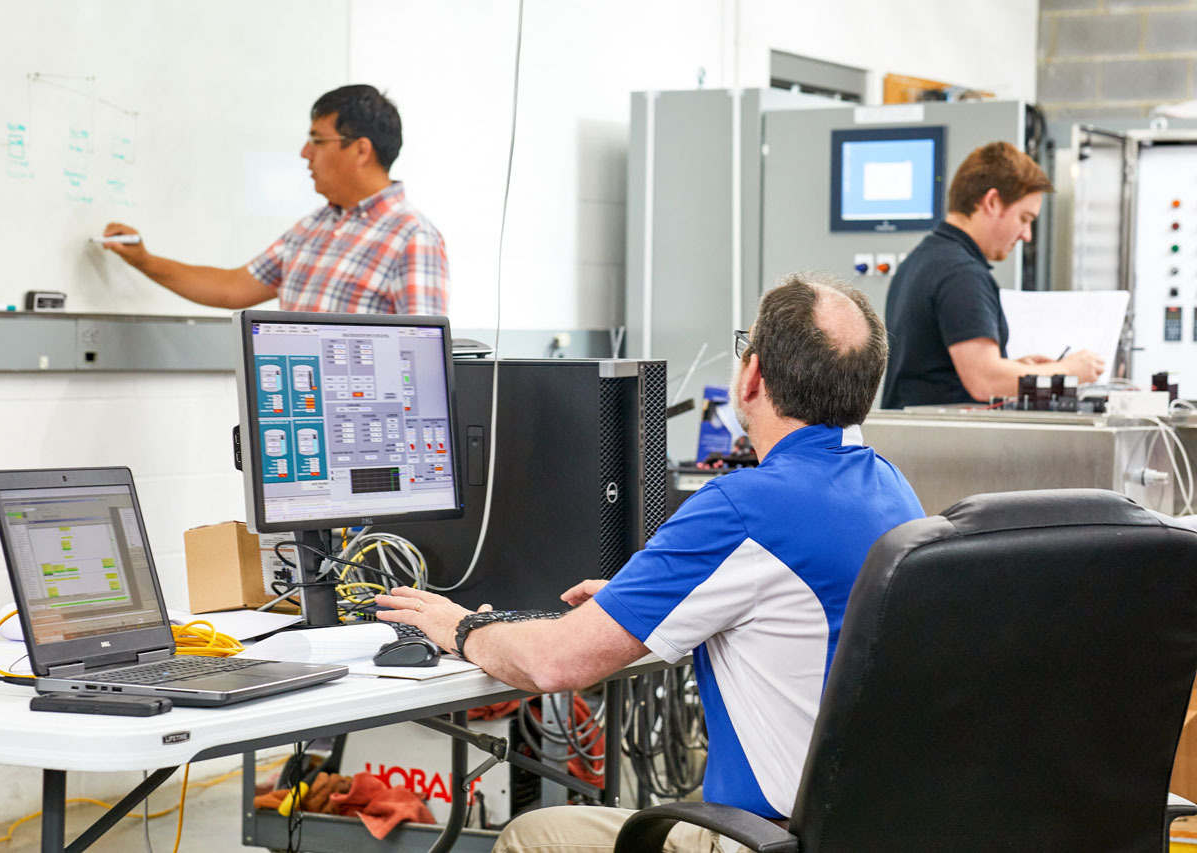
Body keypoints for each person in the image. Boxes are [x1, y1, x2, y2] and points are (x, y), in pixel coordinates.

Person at [374, 272, 925, 851]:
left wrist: (459, 626)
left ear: (753, 374)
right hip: (872, 828)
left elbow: (555, 666)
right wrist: (644, 600)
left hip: (771, 840)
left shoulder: (743, 508)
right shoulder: (889, 487)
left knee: (533, 837)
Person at [100, 84, 447, 315]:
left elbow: (422, 362)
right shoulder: (314, 227)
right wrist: (144, 260)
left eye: (317, 141)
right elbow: (232, 288)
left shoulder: (412, 238)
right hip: (298, 417)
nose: (304, 153)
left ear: (360, 149)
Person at [881, 141, 1103, 409]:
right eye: (1024, 218)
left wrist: (1015, 369)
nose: (1026, 235)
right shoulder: (961, 274)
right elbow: (985, 381)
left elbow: (937, 371)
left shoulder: (922, 260)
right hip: (943, 445)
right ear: (992, 202)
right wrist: (1069, 371)